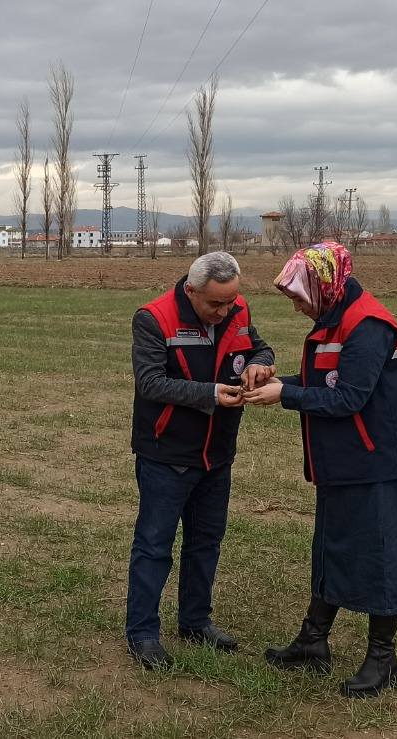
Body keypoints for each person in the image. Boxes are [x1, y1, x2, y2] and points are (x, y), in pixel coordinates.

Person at [241, 242, 397, 699]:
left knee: (381, 556)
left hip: (376, 461)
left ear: (323, 286)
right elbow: (321, 381)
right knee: (331, 547)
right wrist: (277, 381)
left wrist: (284, 397)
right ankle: (313, 640)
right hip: (341, 461)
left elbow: (349, 398)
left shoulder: (366, 326)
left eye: (297, 297)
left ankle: (384, 659)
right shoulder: (331, 319)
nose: (295, 307)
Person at [126, 251, 276, 670]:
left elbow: (260, 348)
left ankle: (195, 621)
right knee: (154, 546)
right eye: (215, 304)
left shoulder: (237, 310)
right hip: (167, 454)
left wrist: (261, 366)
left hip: (218, 453)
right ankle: (142, 633)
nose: (225, 311)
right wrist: (211, 393)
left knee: (206, 541)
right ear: (191, 291)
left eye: (231, 302)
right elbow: (151, 382)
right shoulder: (154, 318)